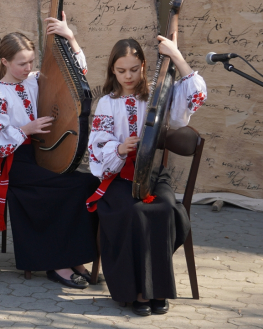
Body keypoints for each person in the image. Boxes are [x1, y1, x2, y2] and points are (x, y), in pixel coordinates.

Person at [87, 37, 207, 316]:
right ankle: (136, 292)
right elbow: (97, 144)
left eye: (133, 69)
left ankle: (159, 290)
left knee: (165, 208)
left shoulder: (158, 95)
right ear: (112, 71)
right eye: (121, 71)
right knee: (132, 211)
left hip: (152, 174)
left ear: (143, 66)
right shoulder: (107, 102)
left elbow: (194, 97)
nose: (128, 76)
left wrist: (176, 56)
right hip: (117, 175)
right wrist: (118, 147)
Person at [0, 15, 100, 289]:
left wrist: (69, 36)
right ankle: (57, 264)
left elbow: (78, 73)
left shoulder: (37, 80)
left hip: (45, 156)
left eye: (31, 62)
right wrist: (27, 128)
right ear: (5, 62)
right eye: (21, 63)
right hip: (17, 164)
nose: (28, 68)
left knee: (88, 183)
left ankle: (76, 258)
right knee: (64, 189)